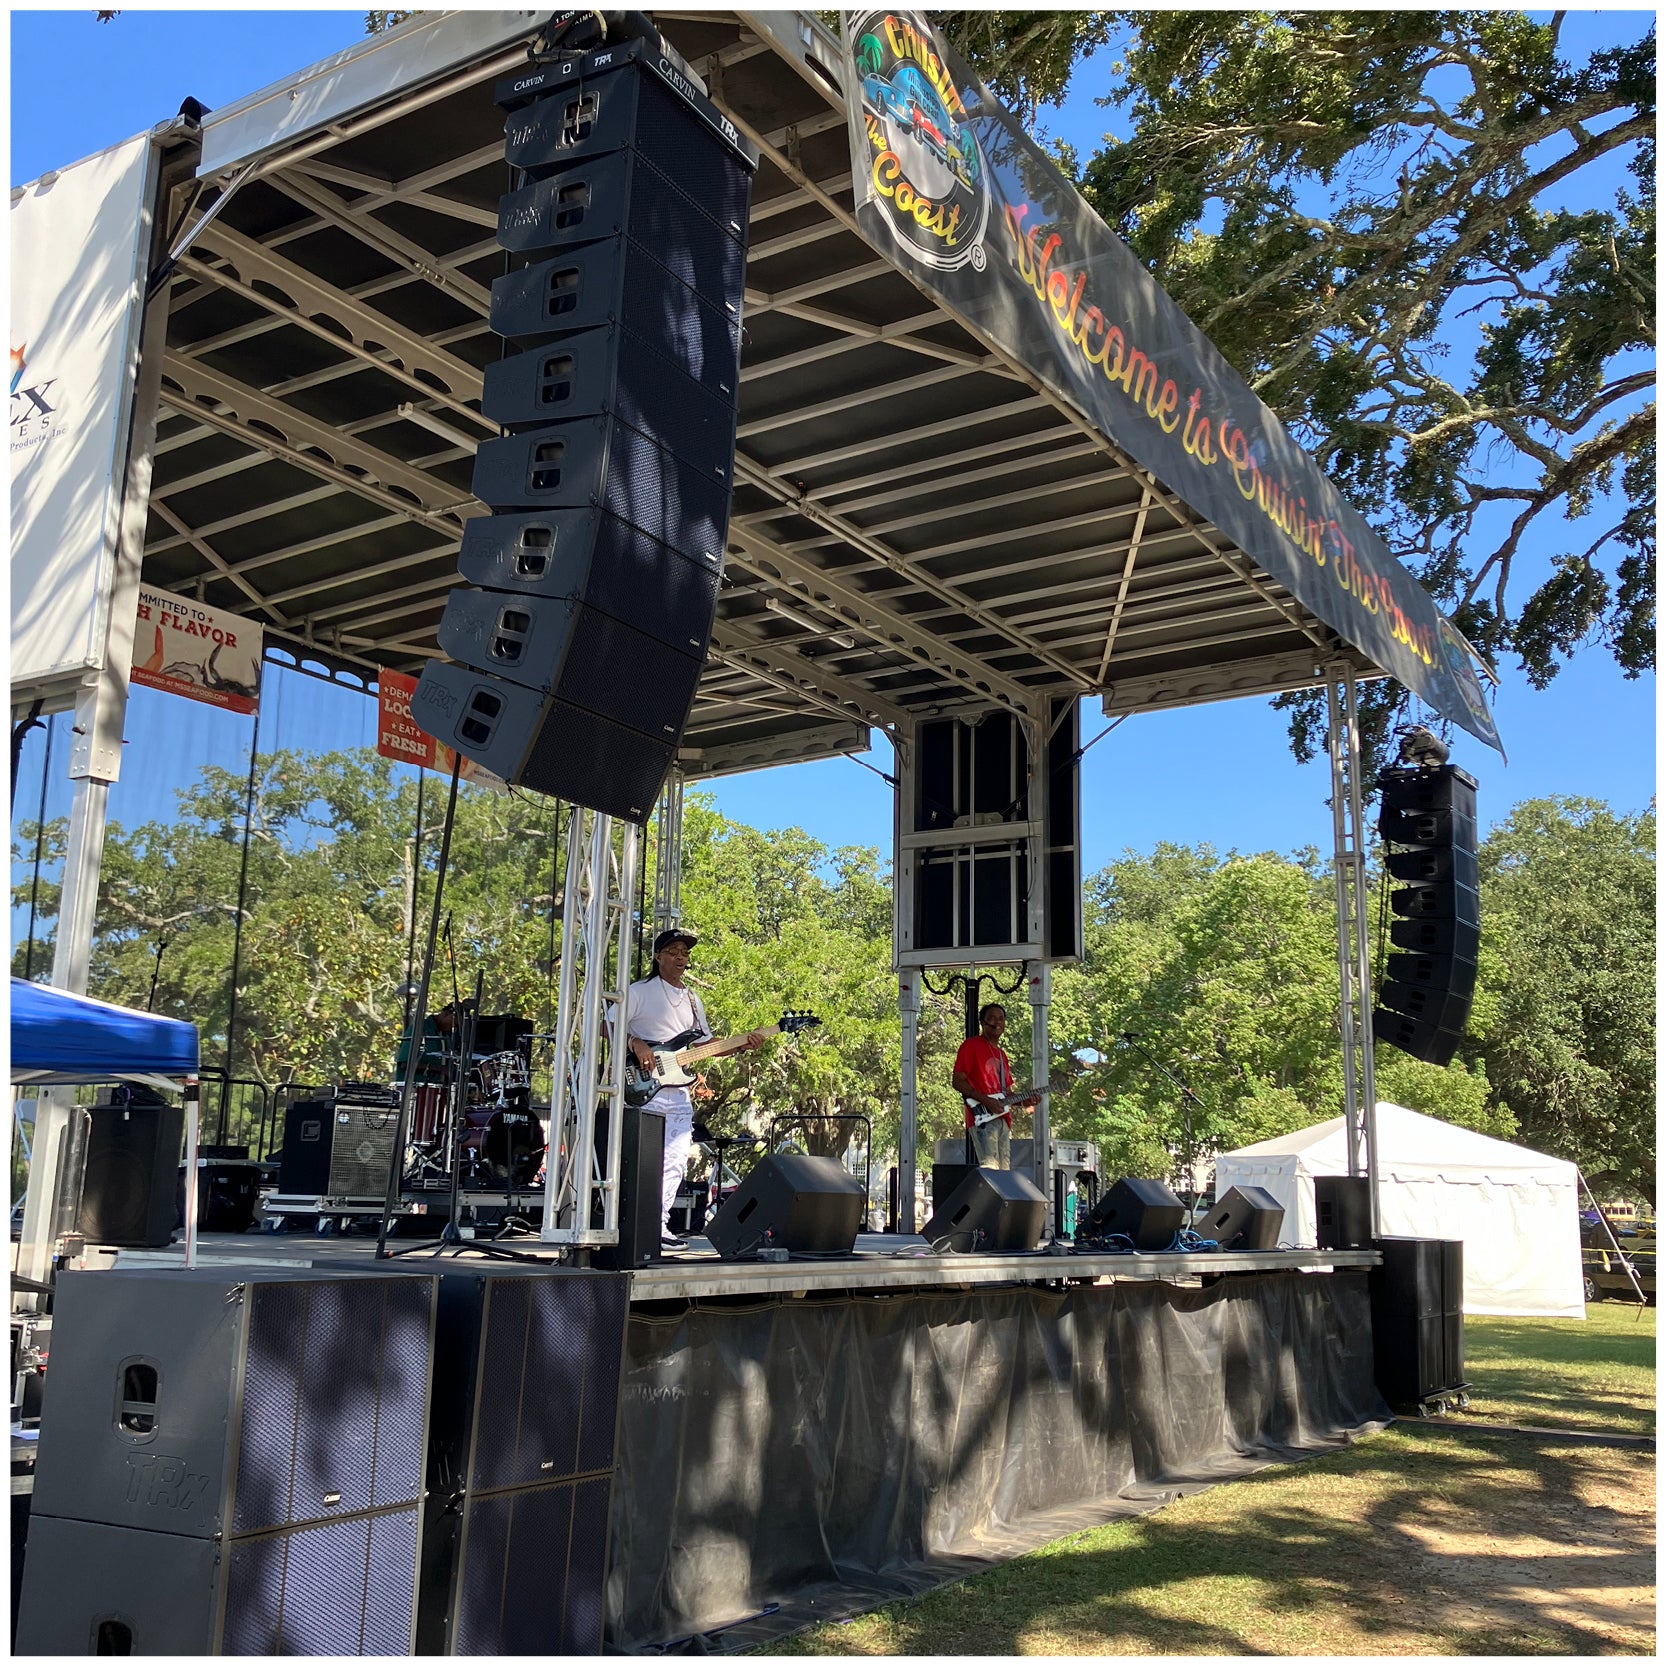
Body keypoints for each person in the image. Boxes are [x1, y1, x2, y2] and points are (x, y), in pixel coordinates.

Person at [620, 927, 767, 1250]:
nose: (680, 958)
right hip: (645, 1088)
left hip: (678, 1091)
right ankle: (634, 1227)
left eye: (685, 953)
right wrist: (636, 1042)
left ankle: (658, 1227)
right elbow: (607, 1023)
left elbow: (705, 1045)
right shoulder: (639, 991)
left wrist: (744, 1044)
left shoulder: (691, 999)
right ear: (658, 957)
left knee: (674, 1161)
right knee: (643, 1160)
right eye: (673, 951)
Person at [952, 1002, 1038, 1169]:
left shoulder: (1001, 1055)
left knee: (1003, 1171)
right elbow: (957, 1081)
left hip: (1002, 1119)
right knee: (990, 1167)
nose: (997, 1022)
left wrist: (1024, 1101)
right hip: (982, 1117)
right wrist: (985, 1100)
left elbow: (1006, 1095)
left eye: (1001, 1019)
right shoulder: (971, 1046)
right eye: (992, 1018)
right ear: (983, 1023)